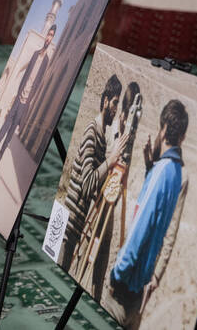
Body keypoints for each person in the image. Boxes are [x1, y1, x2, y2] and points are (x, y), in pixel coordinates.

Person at [109, 99, 190, 325]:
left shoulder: (162, 172)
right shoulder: (176, 172)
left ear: (163, 130)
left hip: (125, 286)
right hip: (140, 285)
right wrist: (149, 168)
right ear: (182, 137)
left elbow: (140, 230)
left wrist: (117, 273)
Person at [71, 82, 142, 296]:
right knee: (87, 252)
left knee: (102, 257)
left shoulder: (127, 135)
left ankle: (95, 294)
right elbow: (98, 170)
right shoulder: (108, 131)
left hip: (110, 204)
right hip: (96, 203)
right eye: (127, 115)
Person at [0, 24, 56, 199]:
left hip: (23, 108)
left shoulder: (47, 61)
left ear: (52, 39)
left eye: (52, 36)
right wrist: (16, 97)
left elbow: (37, 85)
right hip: (16, 104)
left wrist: (27, 104)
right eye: (48, 34)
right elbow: (24, 77)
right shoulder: (34, 54)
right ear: (45, 35)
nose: (48, 38)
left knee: (3, 149)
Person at [59, 74, 122, 270]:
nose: (115, 109)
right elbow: (87, 185)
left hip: (73, 229)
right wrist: (110, 161)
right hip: (67, 229)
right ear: (105, 100)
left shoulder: (101, 136)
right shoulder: (92, 133)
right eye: (115, 103)